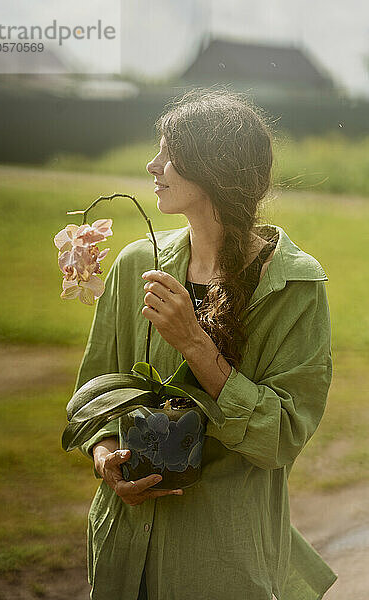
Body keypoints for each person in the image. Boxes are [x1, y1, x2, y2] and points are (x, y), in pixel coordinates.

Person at [72, 89, 338, 600]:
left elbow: (280, 436)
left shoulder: (293, 287)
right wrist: (104, 455)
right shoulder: (134, 267)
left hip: (220, 563)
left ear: (214, 168)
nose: (153, 165)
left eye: (170, 153)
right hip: (122, 554)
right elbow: (91, 397)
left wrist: (194, 342)